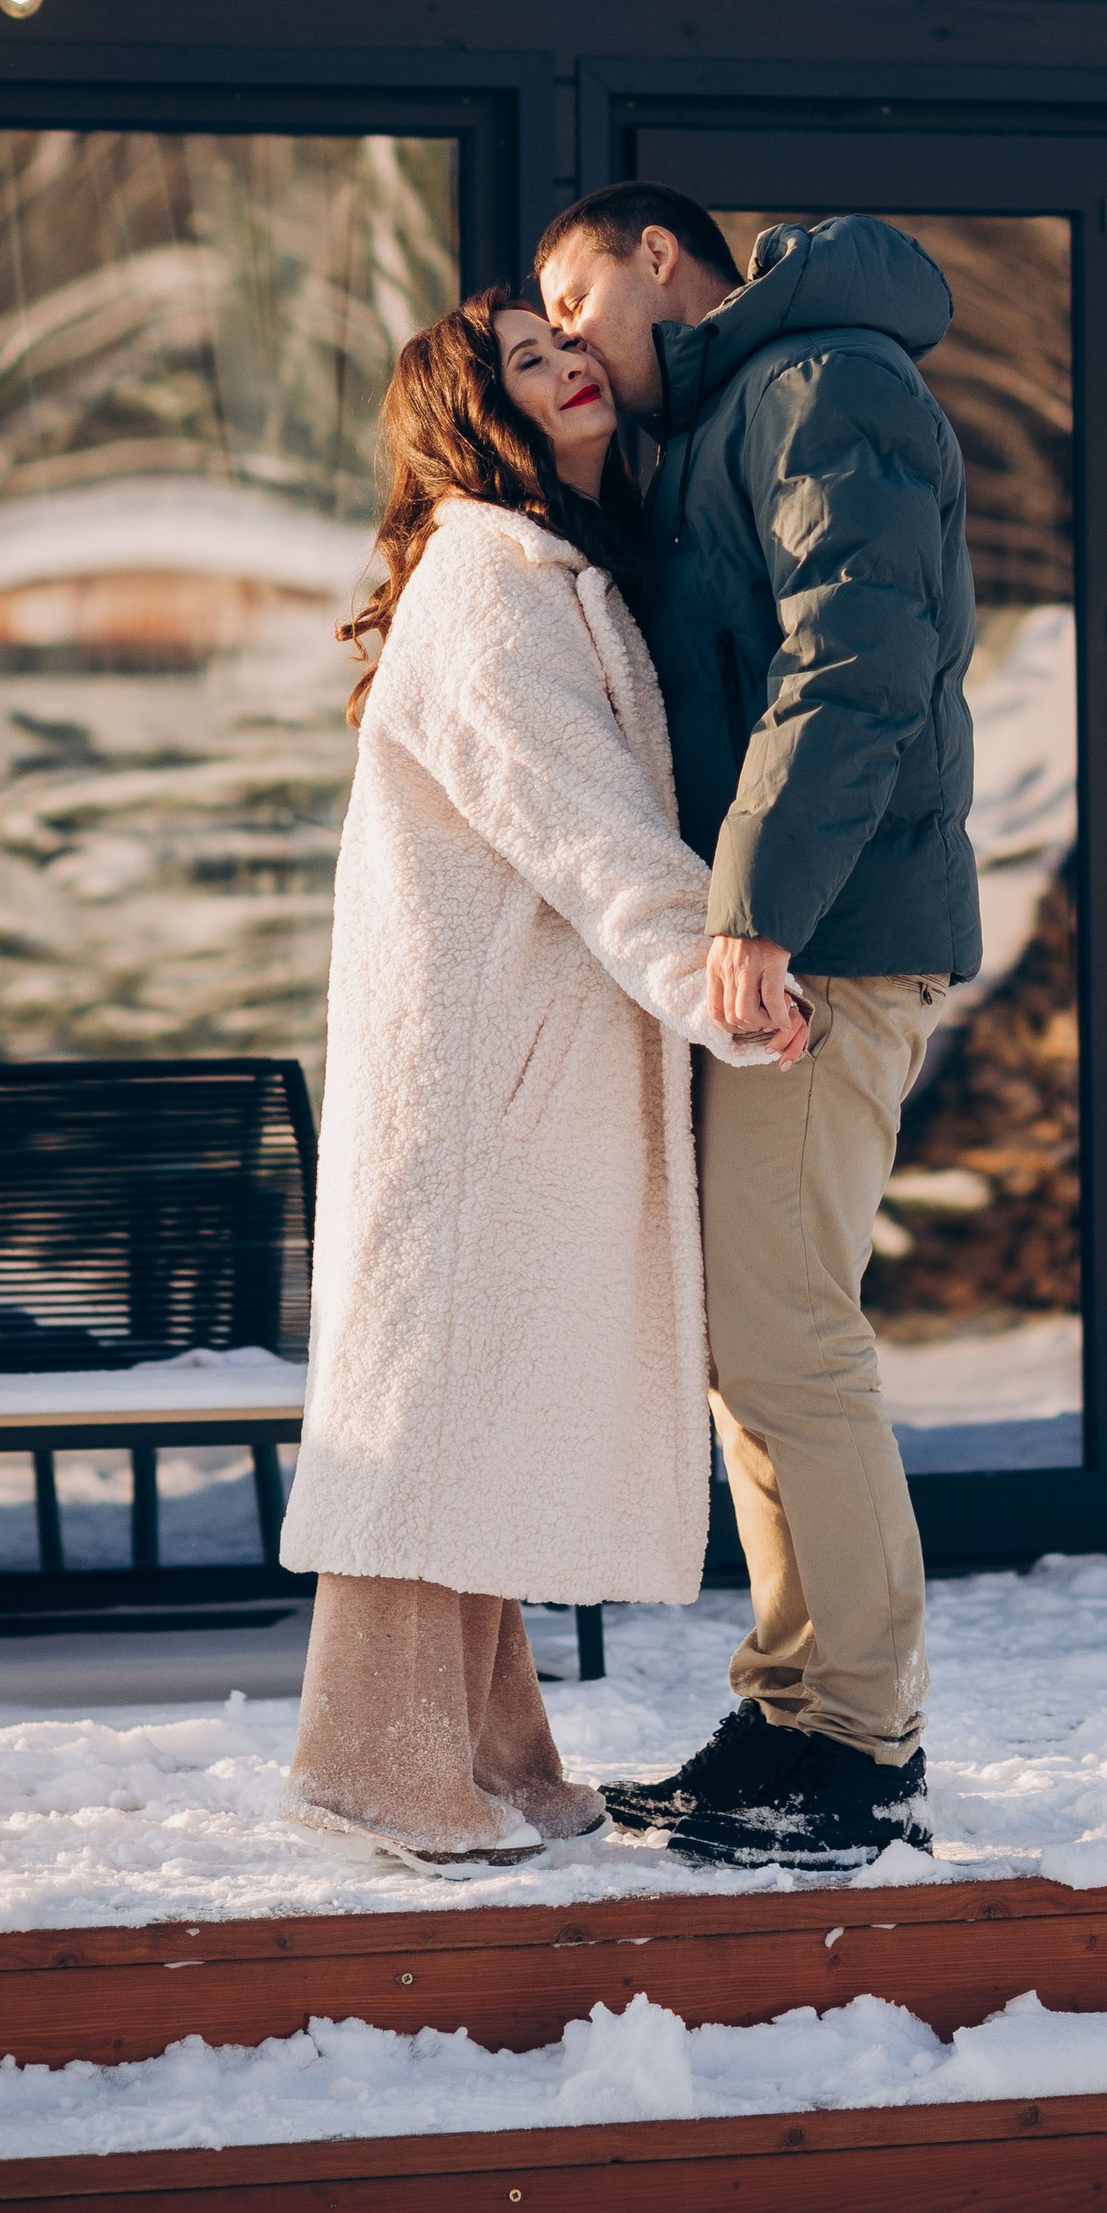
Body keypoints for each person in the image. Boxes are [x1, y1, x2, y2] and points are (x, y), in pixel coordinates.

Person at [281, 284, 803, 1872]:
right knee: (430, 1405)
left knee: (478, 1401)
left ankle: (495, 1747)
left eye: (569, 343)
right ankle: (370, 1761)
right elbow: (577, 820)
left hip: (513, 1046)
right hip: (477, 1064)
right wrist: (712, 979)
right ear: (472, 408)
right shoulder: (491, 578)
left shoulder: (547, 568)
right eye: (527, 358)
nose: (571, 363)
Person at [535, 184, 980, 1873]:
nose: (570, 342)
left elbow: (858, 659)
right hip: (792, 942)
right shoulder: (736, 414)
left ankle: (862, 1739)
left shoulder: (823, 381)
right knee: (751, 1349)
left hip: (833, 943)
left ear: (662, 258)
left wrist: (764, 913)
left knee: (788, 1332)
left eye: (576, 302)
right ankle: (795, 1704)